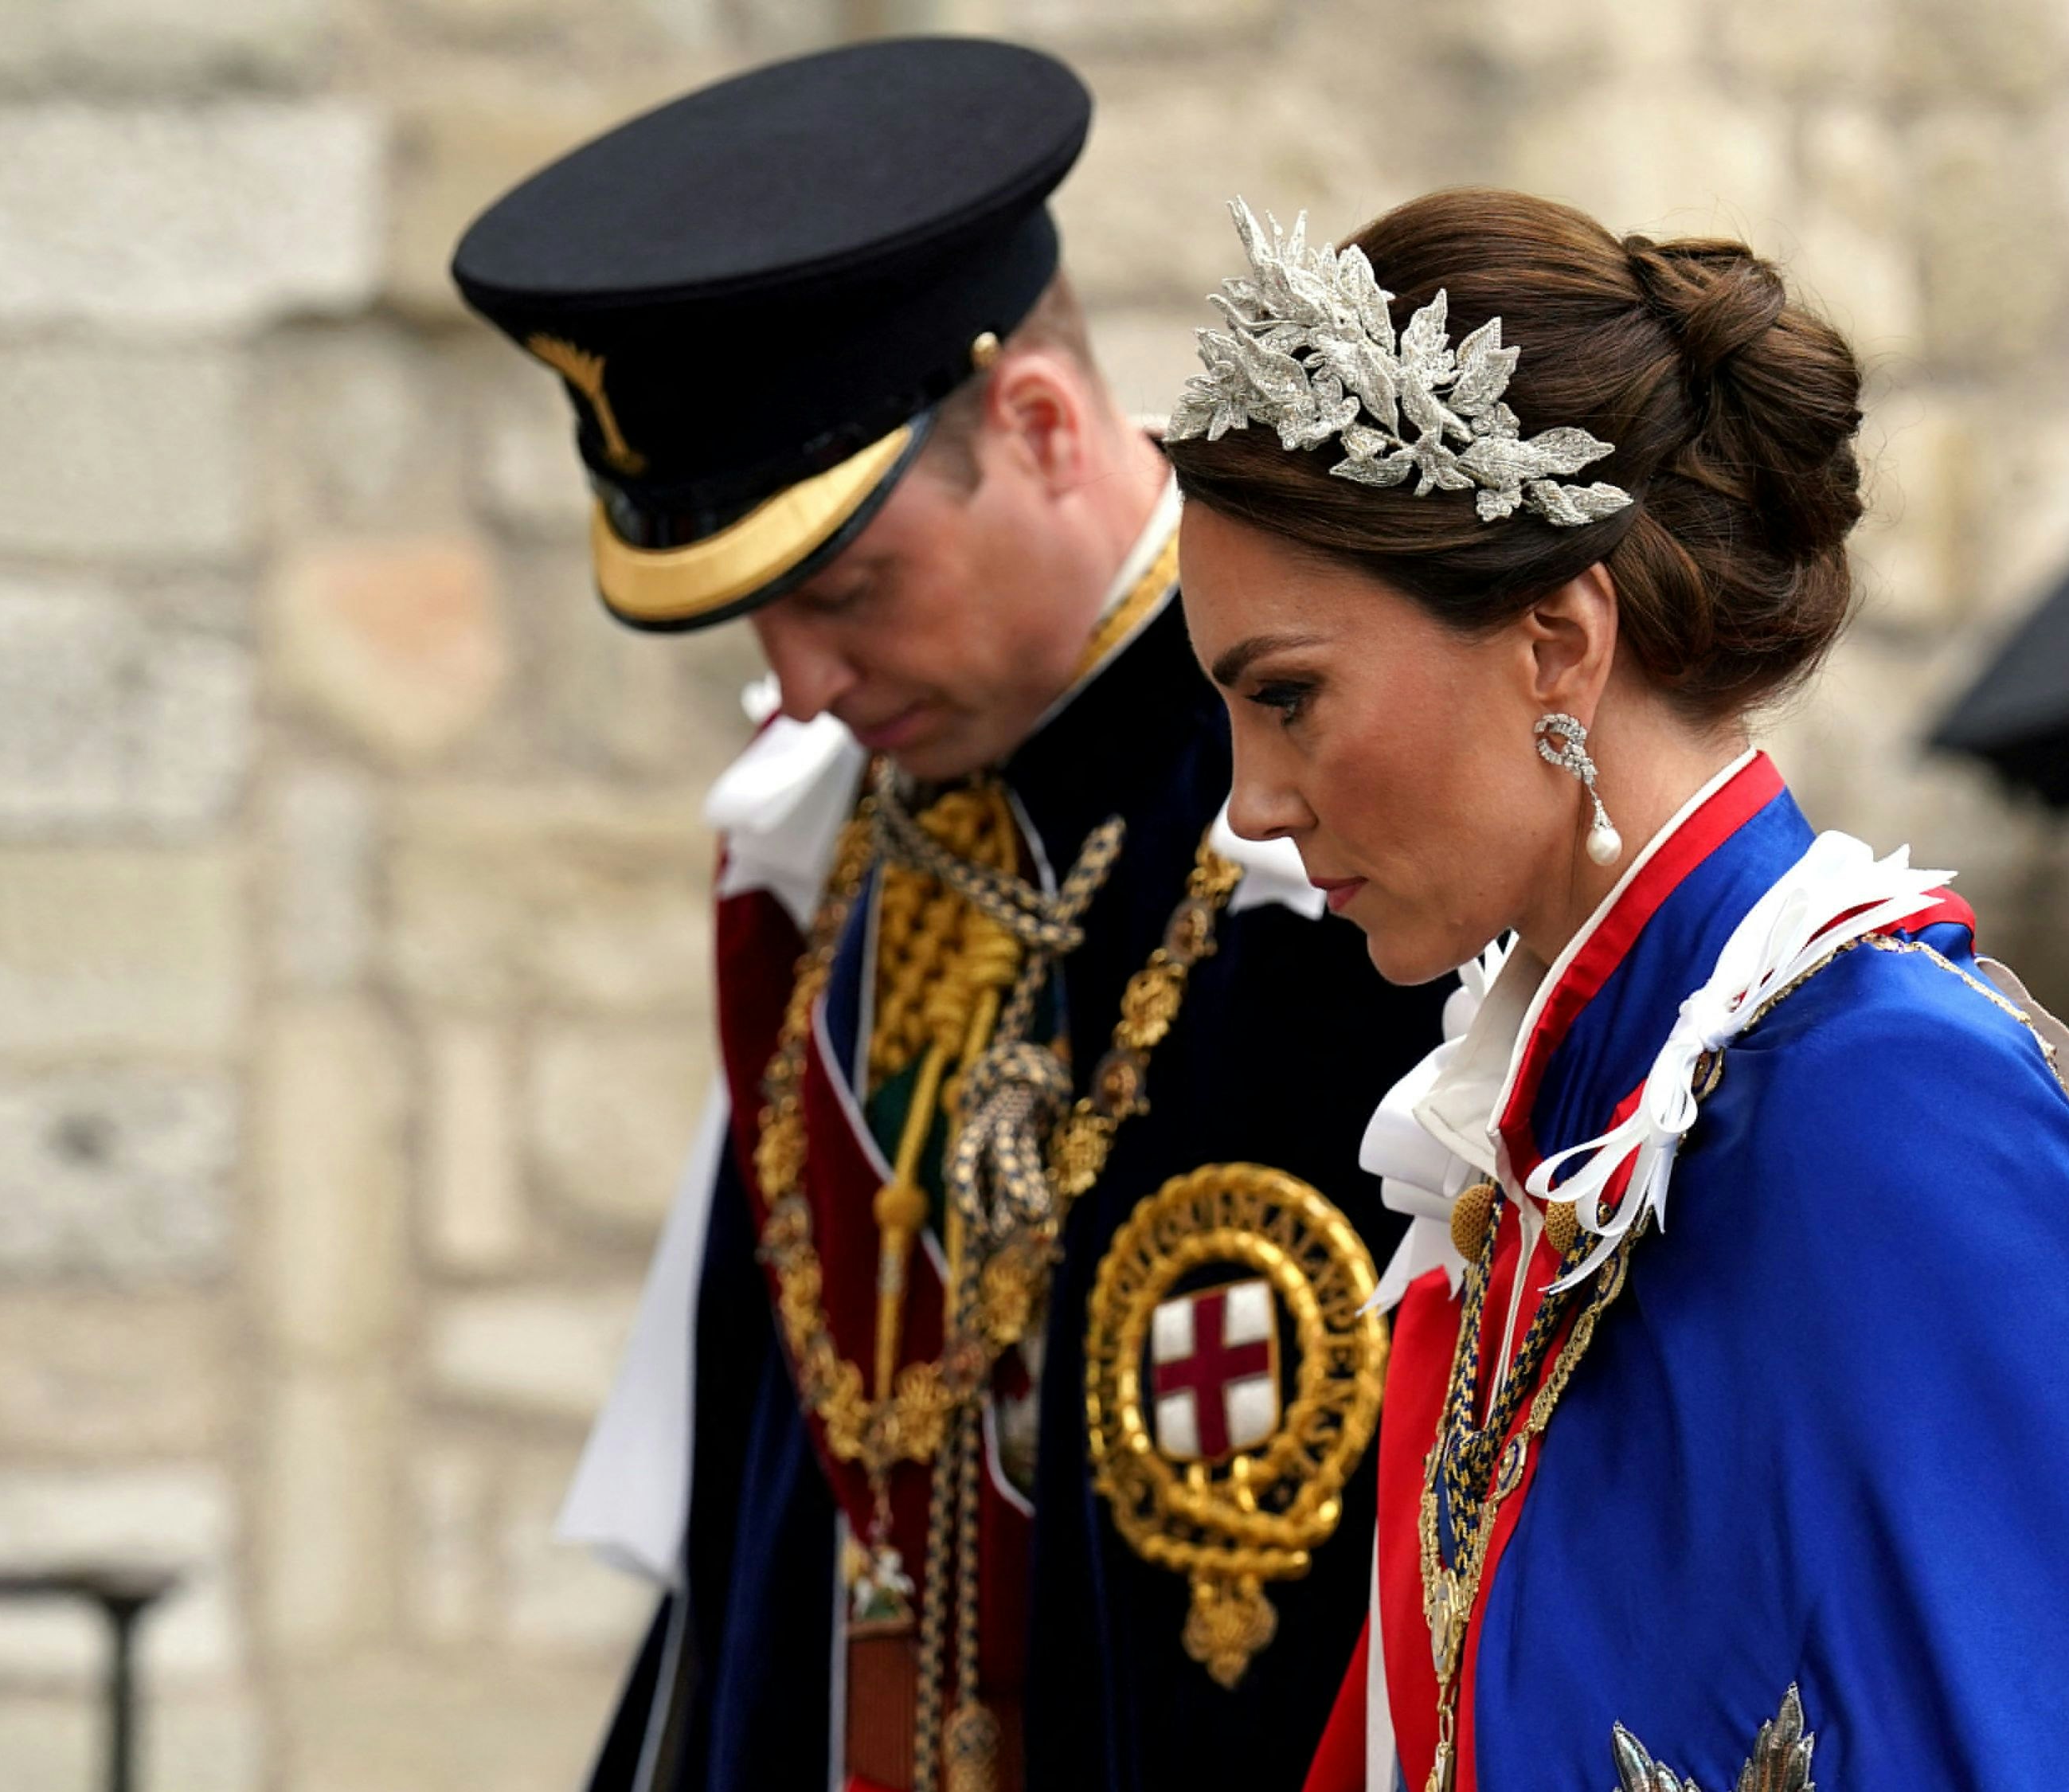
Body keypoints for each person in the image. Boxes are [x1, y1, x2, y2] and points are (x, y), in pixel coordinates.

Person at [1161, 188, 2069, 1791]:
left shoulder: (1878, 1101)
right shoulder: (1553, 1128)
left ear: (1554, 644)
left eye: (1290, 698)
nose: (1250, 801)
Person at [449, 40, 1446, 1792]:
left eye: (844, 588)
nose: (807, 687)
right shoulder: (817, 839)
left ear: (1045, 430)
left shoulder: (1335, 821)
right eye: (755, 628)